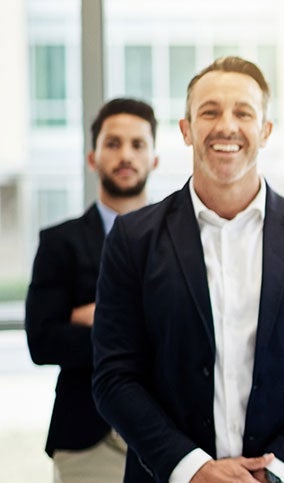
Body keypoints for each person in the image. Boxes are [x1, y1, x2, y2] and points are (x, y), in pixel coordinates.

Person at [91, 56, 284, 483]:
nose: (226, 126)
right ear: (186, 130)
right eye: (209, 111)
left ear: (265, 131)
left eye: (243, 112)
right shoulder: (133, 239)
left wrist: (276, 469)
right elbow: (114, 376)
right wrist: (193, 468)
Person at [25, 98, 159, 483]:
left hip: (170, 436)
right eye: (113, 143)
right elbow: (42, 342)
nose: (125, 155)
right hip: (87, 439)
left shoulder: (182, 240)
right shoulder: (59, 242)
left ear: (155, 159)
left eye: (138, 144)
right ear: (92, 157)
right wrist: (143, 327)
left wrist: (102, 318)